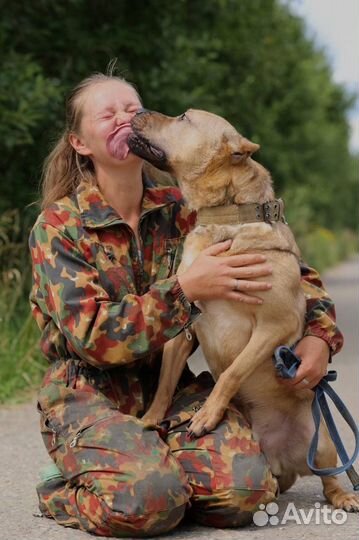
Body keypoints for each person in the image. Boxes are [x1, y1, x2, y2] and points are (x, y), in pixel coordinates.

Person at [29, 72, 343, 537]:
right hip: (90, 392)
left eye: (131, 108)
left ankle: (161, 468)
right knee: (146, 504)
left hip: (173, 390)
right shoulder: (59, 226)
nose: (125, 117)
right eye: (107, 113)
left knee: (248, 495)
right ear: (80, 143)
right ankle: (72, 486)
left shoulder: (187, 209)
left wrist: (319, 335)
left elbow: (288, 272)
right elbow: (93, 338)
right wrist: (186, 289)